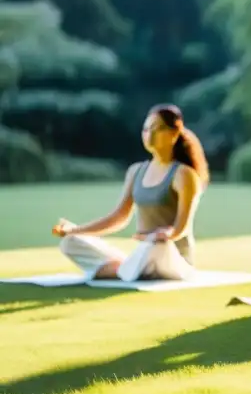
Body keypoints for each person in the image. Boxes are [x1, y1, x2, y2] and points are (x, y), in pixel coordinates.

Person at [52, 104, 210, 281]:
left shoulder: (184, 174)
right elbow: (118, 217)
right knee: (70, 243)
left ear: (174, 133)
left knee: (156, 245)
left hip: (171, 256)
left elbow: (181, 228)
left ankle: (123, 270)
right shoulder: (136, 171)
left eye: (157, 129)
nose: (150, 135)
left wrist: (163, 234)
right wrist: (75, 230)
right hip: (143, 255)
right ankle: (129, 270)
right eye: (146, 129)